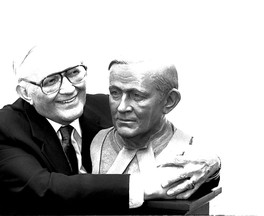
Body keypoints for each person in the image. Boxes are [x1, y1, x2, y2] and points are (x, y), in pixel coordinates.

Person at [0, 45, 220, 215]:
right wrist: (143, 185)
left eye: (73, 73)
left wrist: (213, 164)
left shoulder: (106, 107)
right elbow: (47, 188)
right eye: (50, 81)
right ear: (25, 93)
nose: (69, 90)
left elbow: (173, 140)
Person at [91, 59, 220, 203]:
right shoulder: (97, 140)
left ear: (169, 101)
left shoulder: (190, 151)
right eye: (115, 93)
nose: (121, 107)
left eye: (137, 96)